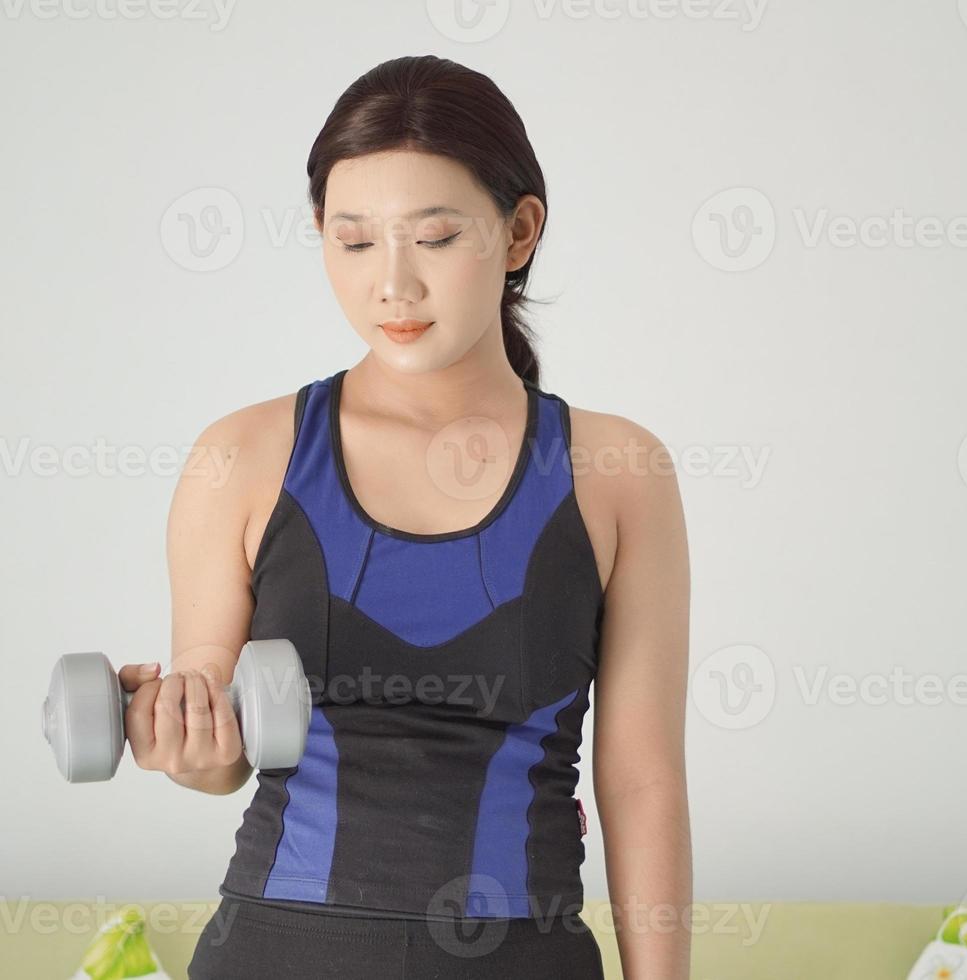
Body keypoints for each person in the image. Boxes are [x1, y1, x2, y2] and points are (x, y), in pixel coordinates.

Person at [115, 55, 692, 979]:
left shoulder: (618, 471)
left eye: (432, 238)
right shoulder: (242, 457)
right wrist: (182, 738)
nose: (393, 286)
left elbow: (642, 779)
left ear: (518, 232)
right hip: (279, 950)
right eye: (353, 243)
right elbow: (223, 747)